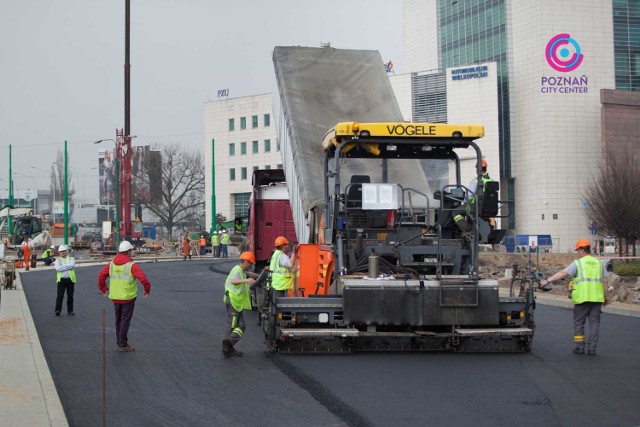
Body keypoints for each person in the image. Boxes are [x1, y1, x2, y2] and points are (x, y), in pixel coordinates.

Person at [539, 239, 608, 355]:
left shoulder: (578, 263)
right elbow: (605, 281)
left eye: (578, 251)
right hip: (597, 298)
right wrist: (605, 297)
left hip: (582, 298)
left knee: (579, 323)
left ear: (581, 250)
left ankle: (580, 347)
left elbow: (563, 274)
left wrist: (547, 280)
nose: (577, 253)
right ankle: (592, 348)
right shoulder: (599, 263)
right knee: (594, 323)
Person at [98, 240, 151, 352]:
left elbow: (101, 276)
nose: (132, 252)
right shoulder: (131, 265)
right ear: (127, 252)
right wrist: (147, 290)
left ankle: (120, 341)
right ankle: (122, 344)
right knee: (125, 321)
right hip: (128, 297)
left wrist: (104, 289)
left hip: (115, 297)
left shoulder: (111, 264)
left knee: (118, 320)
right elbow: (143, 279)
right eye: (131, 250)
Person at [222, 251, 259, 357]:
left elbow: (250, 274)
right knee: (233, 325)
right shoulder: (237, 271)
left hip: (236, 302)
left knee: (241, 325)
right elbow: (234, 281)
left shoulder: (242, 271)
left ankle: (229, 345)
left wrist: (261, 276)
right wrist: (247, 281)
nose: (251, 266)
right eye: (251, 264)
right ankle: (227, 345)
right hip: (233, 301)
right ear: (246, 262)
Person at [54, 245, 76, 316]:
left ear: (66, 252)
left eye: (64, 251)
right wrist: (67, 266)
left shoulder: (71, 259)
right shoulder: (57, 260)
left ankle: (70, 310)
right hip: (61, 280)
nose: (63, 252)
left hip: (70, 280)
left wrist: (63, 267)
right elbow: (58, 269)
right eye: (61, 252)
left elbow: (72, 265)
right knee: (60, 296)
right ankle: (58, 310)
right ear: (59, 253)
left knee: (70, 296)